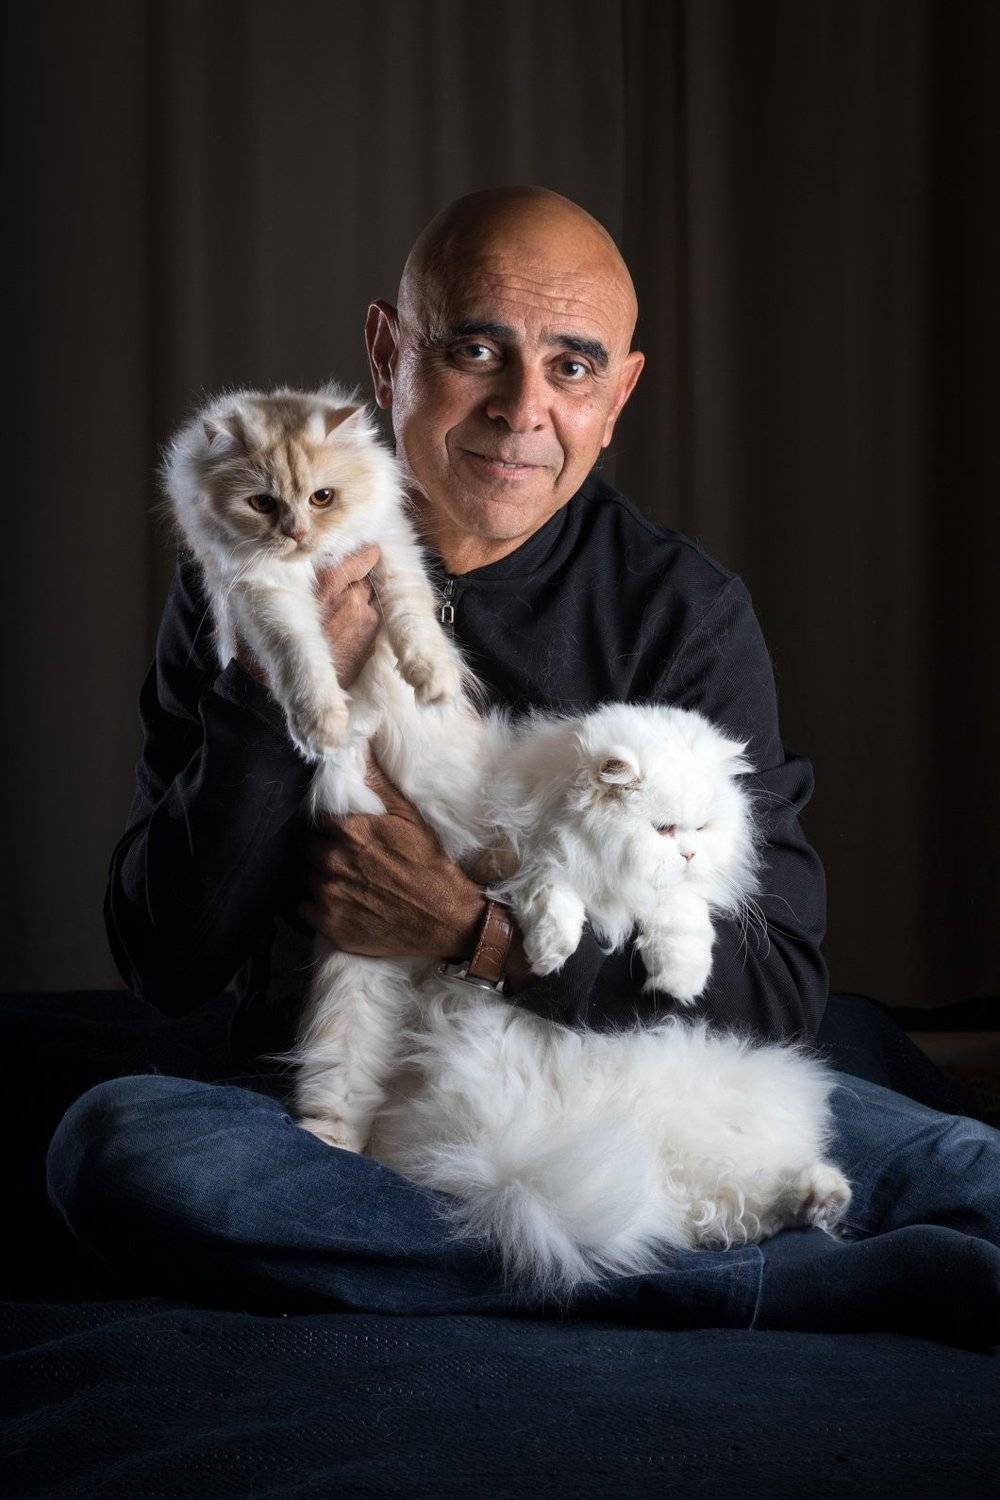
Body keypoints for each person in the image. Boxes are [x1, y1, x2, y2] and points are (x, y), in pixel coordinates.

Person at [48, 188, 999, 1341]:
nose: (521, 409)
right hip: (358, 1106)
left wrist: (474, 931)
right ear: (389, 352)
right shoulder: (256, 565)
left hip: (629, 1081)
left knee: (966, 1168)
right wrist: (265, 700)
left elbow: (777, 982)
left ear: (618, 398)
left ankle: (522, 1250)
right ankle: (752, 1280)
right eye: (475, 350)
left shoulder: (679, 611)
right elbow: (165, 961)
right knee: (120, 1148)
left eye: (572, 366)